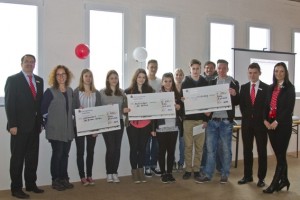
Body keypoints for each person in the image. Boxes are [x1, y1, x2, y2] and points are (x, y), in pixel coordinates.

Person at [4, 54, 44, 199]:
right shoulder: (13, 80)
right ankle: (16, 188)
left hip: (35, 127)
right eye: (26, 61)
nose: (29, 64)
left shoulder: (39, 81)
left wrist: (40, 123)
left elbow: (39, 105)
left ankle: (31, 184)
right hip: (19, 128)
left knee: (32, 158)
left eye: (32, 62)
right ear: (21, 63)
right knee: (17, 158)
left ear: (35, 64)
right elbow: (9, 104)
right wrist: (12, 124)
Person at [196, 59, 239, 184]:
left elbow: (237, 102)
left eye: (224, 68)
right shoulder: (211, 82)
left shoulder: (234, 82)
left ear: (227, 69)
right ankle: (208, 174)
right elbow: (207, 100)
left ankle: (225, 174)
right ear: (217, 69)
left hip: (226, 121)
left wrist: (235, 94)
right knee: (210, 149)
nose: (221, 70)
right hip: (212, 121)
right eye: (219, 68)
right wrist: (207, 113)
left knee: (225, 149)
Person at [262, 62, 295, 194]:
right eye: (276, 71)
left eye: (281, 71)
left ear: (285, 73)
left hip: (283, 126)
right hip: (270, 125)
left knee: (280, 156)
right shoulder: (270, 88)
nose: (278, 74)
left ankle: (274, 184)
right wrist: (264, 119)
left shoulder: (290, 88)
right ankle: (285, 180)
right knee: (280, 155)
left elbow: (288, 108)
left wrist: (277, 121)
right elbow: (266, 105)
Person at [41, 65, 75, 191]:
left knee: (65, 155)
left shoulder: (70, 91)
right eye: (58, 74)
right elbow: (43, 111)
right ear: (55, 77)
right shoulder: (50, 92)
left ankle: (63, 178)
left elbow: (71, 110)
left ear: (67, 76)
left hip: (68, 130)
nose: (61, 76)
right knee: (57, 154)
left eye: (63, 74)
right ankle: (55, 180)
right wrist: (50, 124)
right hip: (55, 130)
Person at [238, 63, 268, 187]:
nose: (252, 75)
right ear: (248, 73)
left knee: (262, 151)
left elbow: (267, 107)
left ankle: (261, 178)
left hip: (261, 125)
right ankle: (247, 176)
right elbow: (242, 105)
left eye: (255, 72)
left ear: (259, 73)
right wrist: (248, 116)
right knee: (247, 150)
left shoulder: (266, 88)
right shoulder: (244, 87)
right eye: (250, 73)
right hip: (247, 125)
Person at [124, 68, 156, 183]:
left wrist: (153, 128)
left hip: (146, 124)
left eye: (143, 77)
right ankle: (134, 171)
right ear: (135, 78)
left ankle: (141, 170)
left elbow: (153, 111)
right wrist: (125, 110)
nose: (141, 79)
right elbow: (124, 109)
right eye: (139, 77)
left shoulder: (150, 91)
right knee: (134, 149)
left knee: (142, 149)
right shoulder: (128, 91)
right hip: (132, 125)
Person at [181, 59, 208, 180]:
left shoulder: (205, 82)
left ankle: (196, 169)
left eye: (198, 68)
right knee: (188, 146)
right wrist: (182, 101)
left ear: (200, 69)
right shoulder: (185, 83)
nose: (196, 71)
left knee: (199, 147)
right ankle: (188, 170)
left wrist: (206, 119)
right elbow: (182, 102)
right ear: (190, 69)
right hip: (188, 120)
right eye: (194, 69)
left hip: (200, 121)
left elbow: (207, 102)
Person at [73, 69, 101, 186]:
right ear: (82, 77)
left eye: (90, 76)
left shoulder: (97, 93)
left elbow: (99, 110)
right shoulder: (76, 92)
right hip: (79, 126)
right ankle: (82, 176)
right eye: (86, 76)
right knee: (80, 152)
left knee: (90, 152)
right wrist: (77, 109)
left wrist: (96, 129)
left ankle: (89, 175)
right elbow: (73, 109)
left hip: (93, 127)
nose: (88, 78)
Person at [100, 70, 128, 183]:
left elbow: (124, 109)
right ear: (107, 79)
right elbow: (98, 108)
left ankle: (115, 172)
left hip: (119, 122)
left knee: (117, 148)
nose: (114, 80)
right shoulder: (101, 92)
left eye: (116, 78)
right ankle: (109, 172)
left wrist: (125, 110)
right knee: (110, 148)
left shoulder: (122, 92)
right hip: (106, 124)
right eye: (112, 78)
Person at [156, 72, 183, 183]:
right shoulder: (157, 95)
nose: (168, 83)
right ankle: (163, 173)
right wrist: (153, 129)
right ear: (162, 82)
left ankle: (169, 173)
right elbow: (153, 113)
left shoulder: (177, 95)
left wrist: (179, 107)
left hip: (173, 126)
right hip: (161, 127)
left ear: (172, 82)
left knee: (171, 151)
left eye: (170, 81)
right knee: (162, 151)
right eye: (165, 81)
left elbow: (182, 111)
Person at [200, 61, 222, 173]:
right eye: (207, 68)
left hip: (214, 116)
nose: (209, 70)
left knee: (218, 145)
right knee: (205, 145)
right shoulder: (200, 81)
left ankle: (218, 166)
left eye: (211, 68)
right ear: (204, 69)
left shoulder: (217, 81)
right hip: (204, 117)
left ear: (215, 69)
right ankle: (204, 166)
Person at [144, 59, 162, 177]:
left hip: (157, 116)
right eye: (151, 67)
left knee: (156, 144)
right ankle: (146, 167)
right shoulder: (143, 81)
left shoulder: (160, 81)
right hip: (146, 117)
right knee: (146, 144)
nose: (153, 69)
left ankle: (154, 166)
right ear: (147, 67)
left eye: (155, 67)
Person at [173, 68, 185, 172]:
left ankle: (181, 163)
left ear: (183, 76)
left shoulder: (186, 87)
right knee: (172, 141)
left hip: (183, 118)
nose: (178, 76)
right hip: (172, 118)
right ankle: (172, 162)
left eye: (180, 74)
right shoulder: (170, 87)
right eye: (177, 74)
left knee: (182, 142)